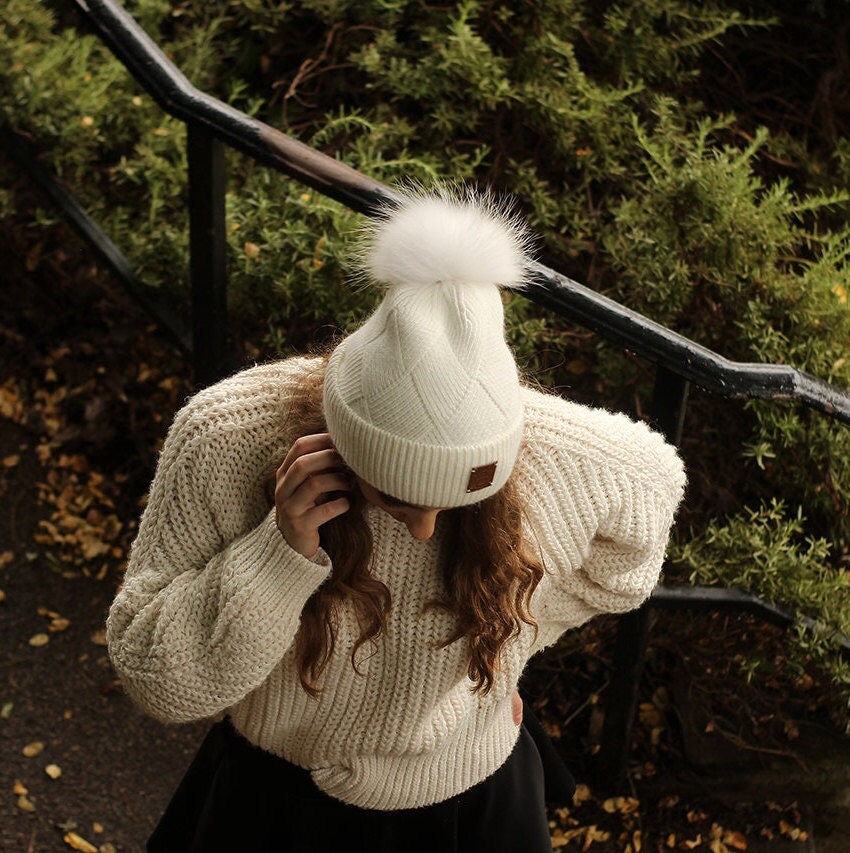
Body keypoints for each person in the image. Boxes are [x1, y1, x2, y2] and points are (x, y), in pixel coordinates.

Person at [106, 187, 687, 852]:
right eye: (397, 497)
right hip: (281, 804)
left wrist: (510, 643)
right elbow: (156, 677)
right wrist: (277, 554)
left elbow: (647, 507)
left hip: (473, 801)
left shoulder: (570, 458)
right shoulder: (226, 436)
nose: (423, 529)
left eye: (452, 503)